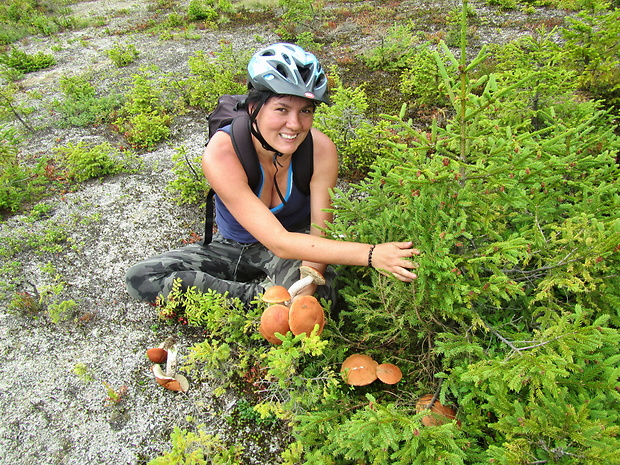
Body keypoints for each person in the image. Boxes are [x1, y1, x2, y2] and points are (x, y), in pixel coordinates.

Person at [125, 43, 419, 308]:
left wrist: (307, 287)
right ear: (254, 107)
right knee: (142, 277)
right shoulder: (222, 153)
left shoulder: (321, 151)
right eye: (281, 109)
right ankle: (266, 299)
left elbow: (320, 234)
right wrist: (371, 255)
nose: (294, 124)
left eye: (305, 111)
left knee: (322, 296)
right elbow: (277, 239)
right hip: (233, 246)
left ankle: (274, 301)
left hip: (297, 242)